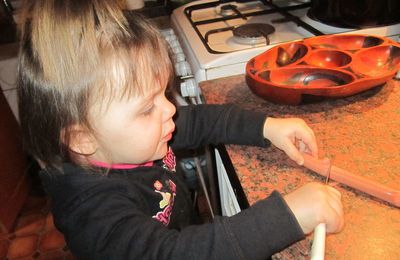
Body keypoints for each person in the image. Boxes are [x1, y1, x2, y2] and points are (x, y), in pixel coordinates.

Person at [17, 0, 344, 259]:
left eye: (163, 92)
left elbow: (202, 121)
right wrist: (286, 216)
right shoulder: (93, 215)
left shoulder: (132, 137)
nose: (170, 108)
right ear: (83, 138)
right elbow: (173, 253)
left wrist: (267, 126)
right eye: (147, 107)